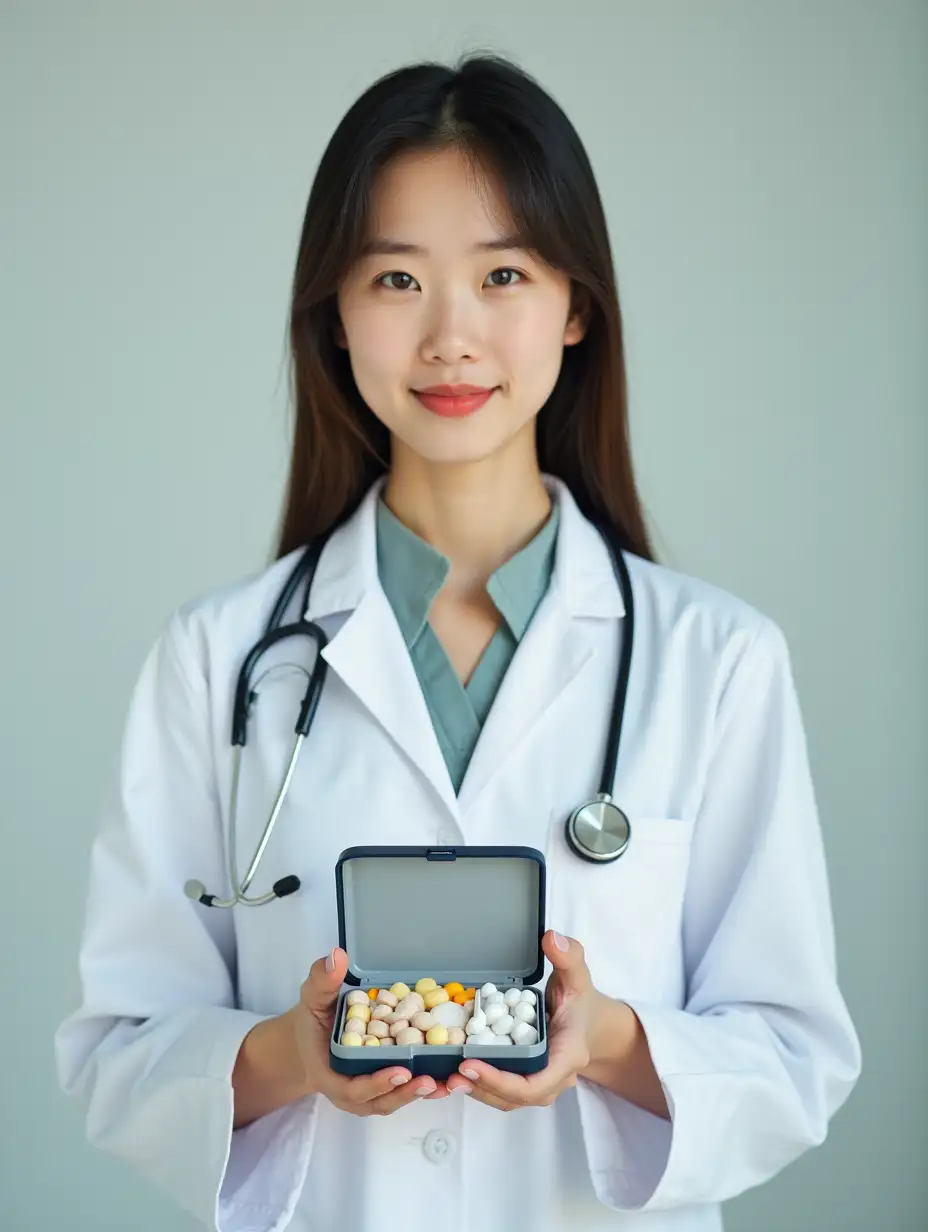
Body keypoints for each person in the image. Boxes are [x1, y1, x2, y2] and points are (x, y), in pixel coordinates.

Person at [54, 51, 861, 1232]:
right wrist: (290, 1050)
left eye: (502, 274)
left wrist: (608, 1039)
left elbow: (795, 1056)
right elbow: (119, 1051)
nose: (450, 336)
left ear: (575, 305)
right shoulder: (216, 658)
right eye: (394, 278)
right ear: (333, 309)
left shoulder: (715, 660)